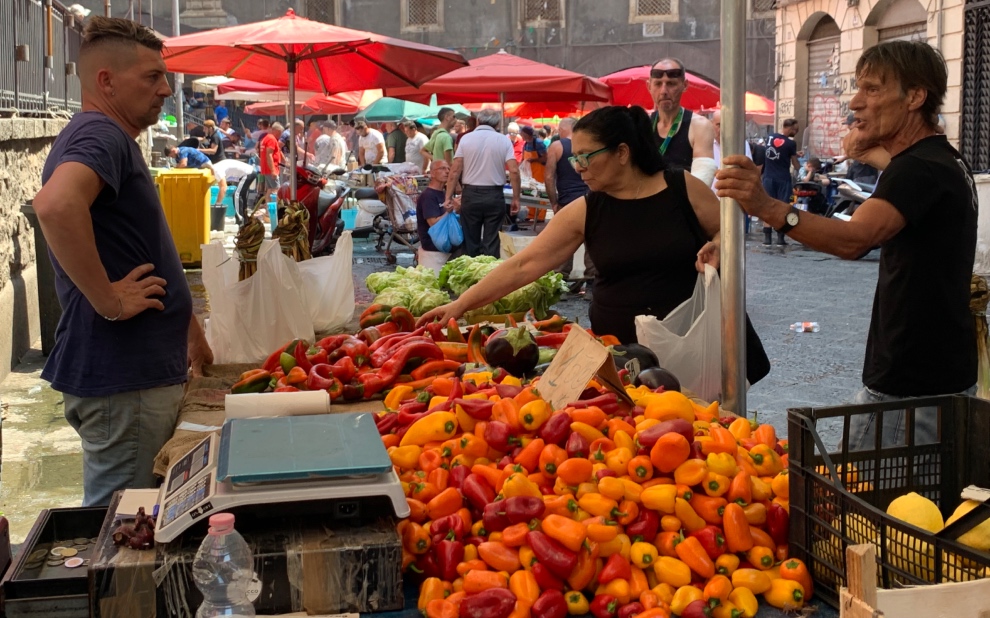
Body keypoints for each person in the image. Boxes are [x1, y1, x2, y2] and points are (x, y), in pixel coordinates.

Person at [715, 40, 976, 449]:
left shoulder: (918, 171)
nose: (855, 102)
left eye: (871, 89)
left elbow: (855, 240)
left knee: (868, 505)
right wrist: (867, 147)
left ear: (915, 97)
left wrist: (767, 207)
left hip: (909, 386)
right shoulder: (943, 161)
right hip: (941, 374)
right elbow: (897, 171)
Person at [420, 106, 772, 386]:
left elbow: (727, 233)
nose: (578, 167)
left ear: (622, 152)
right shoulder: (585, 211)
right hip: (622, 357)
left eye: (587, 156)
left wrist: (717, 246)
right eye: (575, 158)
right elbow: (524, 266)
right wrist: (461, 305)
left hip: (697, 346)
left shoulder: (683, 188)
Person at [32, 16, 212, 507]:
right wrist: (109, 300)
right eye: (151, 76)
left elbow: (132, 244)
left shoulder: (105, 136)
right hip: (126, 377)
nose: (166, 88)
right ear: (106, 81)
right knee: (123, 533)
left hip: (132, 374)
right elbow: (54, 205)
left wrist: (186, 324)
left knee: (132, 523)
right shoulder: (102, 135)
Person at [445, 109, 520, 257]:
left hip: (471, 194)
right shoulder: (503, 140)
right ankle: (489, 276)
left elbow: (455, 171)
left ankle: (471, 277)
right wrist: (516, 198)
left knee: (470, 241)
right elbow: (514, 171)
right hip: (494, 195)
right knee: (492, 242)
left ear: (478, 121)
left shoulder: (466, 139)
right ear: (497, 123)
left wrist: (448, 196)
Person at [647, 57, 717, 184]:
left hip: (684, 202)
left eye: (671, 84)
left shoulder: (699, 126)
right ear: (649, 86)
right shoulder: (642, 125)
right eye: (658, 84)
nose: (663, 91)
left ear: (684, 85)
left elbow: (702, 182)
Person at [545, 116, 595, 291]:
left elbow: (549, 176)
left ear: (561, 130)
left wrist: (554, 202)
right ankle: (591, 285)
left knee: (564, 243)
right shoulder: (588, 146)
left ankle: (561, 284)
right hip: (590, 198)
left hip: (567, 200)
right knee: (592, 243)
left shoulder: (557, 146)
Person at [760, 118, 801, 246]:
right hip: (783, 179)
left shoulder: (770, 137)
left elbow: (778, 152)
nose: (796, 132)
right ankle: (780, 238)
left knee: (768, 207)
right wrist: (798, 164)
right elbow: (795, 164)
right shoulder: (791, 144)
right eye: (796, 130)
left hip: (768, 177)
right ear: (790, 128)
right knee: (783, 207)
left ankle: (767, 238)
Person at [417, 160, 462, 273]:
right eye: (442, 169)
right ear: (432, 173)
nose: (447, 172)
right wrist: (451, 211)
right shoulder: (428, 196)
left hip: (445, 236)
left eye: (448, 169)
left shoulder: (444, 194)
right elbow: (433, 223)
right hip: (432, 240)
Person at [520, 125, 548, 225]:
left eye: (522, 134)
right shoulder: (525, 144)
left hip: (539, 170)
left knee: (540, 192)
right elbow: (523, 157)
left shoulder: (539, 143)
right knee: (530, 192)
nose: (521, 136)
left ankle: (540, 216)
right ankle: (531, 214)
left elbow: (545, 158)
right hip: (530, 172)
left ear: (527, 134)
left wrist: (534, 160)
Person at [258, 121, 284, 202]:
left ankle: (268, 209)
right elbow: (269, 154)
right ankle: (274, 209)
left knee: (270, 189)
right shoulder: (271, 139)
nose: (280, 136)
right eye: (280, 133)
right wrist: (273, 170)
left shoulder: (266, 138)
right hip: (271, 169)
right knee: (276, 190)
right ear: (276, 131)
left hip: (266, 168)